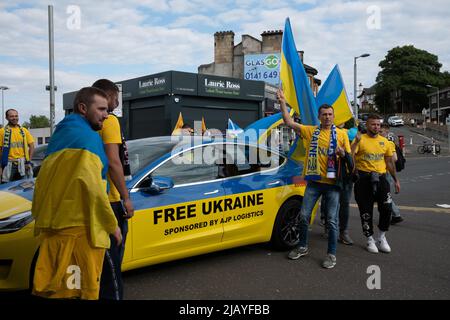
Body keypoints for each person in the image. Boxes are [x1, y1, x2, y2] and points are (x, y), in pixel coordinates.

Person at [31, 87, 121, 300]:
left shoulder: (60, 135)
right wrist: (112, 225)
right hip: (84, 233)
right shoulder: (89, 139)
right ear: (83, 108)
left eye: (107, 110)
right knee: (98, 289)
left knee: (61, 291)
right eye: (101, 109)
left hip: (54, 231)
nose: (106, 115)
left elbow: (42, 184)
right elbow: (95, 189)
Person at [277, 89, 351, 269]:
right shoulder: (310, 131)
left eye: (330, 114)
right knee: (303, 216)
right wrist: (282, 101)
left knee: (332, 221)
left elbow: (350, 159)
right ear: (319, 116)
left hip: (333, 185)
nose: (327, 117)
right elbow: (288, 122)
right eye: (324, 114)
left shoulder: (342, 134)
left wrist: (343, 153)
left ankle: (331, 254)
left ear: (334, 117)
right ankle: (302, 246)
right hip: (314, 183)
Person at [92, 79, 134, 300]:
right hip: (112, 199)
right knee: (113, 264)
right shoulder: (110, 121)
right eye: (116, 95)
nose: (118, 101)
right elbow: (114, 160)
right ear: (109, 95)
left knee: (103, 263)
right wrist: (126, 197)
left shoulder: (91, 123)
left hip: (98, 196)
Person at [352, 114, 401, 254]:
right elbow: (350, 157)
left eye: (378, 124)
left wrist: (396, 180)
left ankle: (382, 237)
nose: (376, 127)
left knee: (386, 209)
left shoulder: (384, 142)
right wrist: (355, 142)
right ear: (367, 125)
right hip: (364, 179)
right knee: (366, 212)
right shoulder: (360, 140)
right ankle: (369, 239)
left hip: (381, 179)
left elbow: (389, 162)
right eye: (373, 124)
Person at [320, 125, 356, 245]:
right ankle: (328, 227)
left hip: (346, 176)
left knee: (344, 204)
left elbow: (350, 155)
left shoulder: (349, 132)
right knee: (329, 201)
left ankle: (343, 232)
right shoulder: (328, 133)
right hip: (333, 174)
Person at [0, 109, 35, 183]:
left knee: (23, 188)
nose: (14, 118)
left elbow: (31, 146)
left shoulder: (24, 130)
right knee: (6, 188)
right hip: (8, 165)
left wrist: (28, 162)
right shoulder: (2, 131)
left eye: (16, 116)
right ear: (7, 118)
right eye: (11, 116)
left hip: (23, 164)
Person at [380, 123, 404, 224]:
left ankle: (396, 214)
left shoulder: (389, 143)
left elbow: (394, 158)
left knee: (385, 195)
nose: (379, 132)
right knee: (384, 195)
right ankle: (395, 214)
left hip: (385, 172)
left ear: (387, 132)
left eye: (381, 131)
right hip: (382, 172)